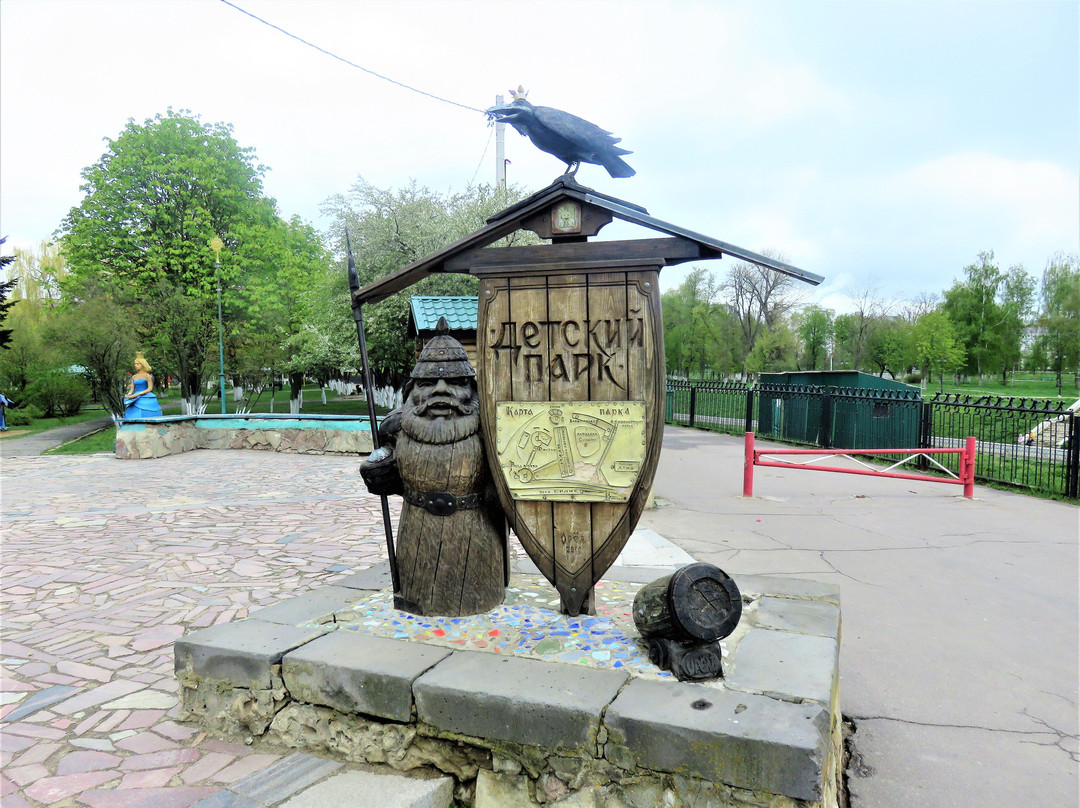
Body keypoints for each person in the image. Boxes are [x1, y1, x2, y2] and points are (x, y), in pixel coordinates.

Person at [360, 318, 506, 617]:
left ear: (473, 388)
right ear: (413, 390)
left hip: (475, 535)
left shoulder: (490, 428)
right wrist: (379, 469)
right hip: (418, 532)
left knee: (476, 594)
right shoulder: (398, 425)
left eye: (455, 383)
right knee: (419, 593)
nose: (441, 391)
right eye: (428, 384)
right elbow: (388, 456)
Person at [123, 353, 163, 418]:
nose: (135, 365)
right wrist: (129, 394)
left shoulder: (147, 376)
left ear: (142, 365)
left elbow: (150, 388)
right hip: (135, 395)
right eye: (135, 364)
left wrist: (140, 393)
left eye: (137, 364)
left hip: (145, 395)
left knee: (148, 410)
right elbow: (132, 388)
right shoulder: (134, 376)